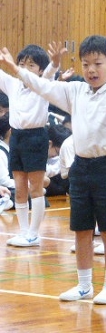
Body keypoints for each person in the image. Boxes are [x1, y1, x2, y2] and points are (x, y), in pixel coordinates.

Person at [0, 35, 106, 304]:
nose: (90, 69)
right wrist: (15, 69)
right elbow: (41, 85)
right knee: (82, 229)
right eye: (86, 63)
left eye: (97, 63)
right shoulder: (75, 91)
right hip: (81, 167)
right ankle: (84, 285)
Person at [0, 42, 61, 247]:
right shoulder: (12, 84)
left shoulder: (42, 83)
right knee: (19, 187)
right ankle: (23, 231)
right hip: (17, 137)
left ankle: (34, 234)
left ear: (40, 70)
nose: (25, 69)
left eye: (32, 65)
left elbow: (52, 71)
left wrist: (55, 62)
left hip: (36, 136)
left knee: (35, 186)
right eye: (22, 64)